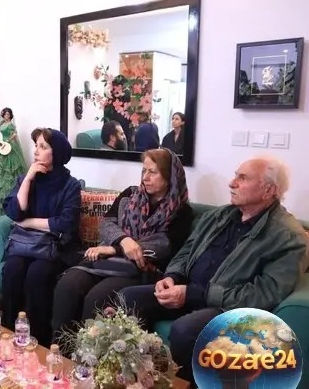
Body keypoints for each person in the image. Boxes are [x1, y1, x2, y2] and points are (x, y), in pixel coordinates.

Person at [120, 156, 309, 382]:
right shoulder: (220, 215)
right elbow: (187, 250)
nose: (231, 183)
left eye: (243, 178)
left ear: (268, 190)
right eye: (235, 176)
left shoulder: (287, 236)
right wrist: (173, 276)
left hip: (225, 308)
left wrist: (194, 294)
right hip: (188, 291)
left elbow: (264, 294)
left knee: (184, 331)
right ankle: (132, 378)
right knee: (128, 298)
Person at [51, 148, 192, 349]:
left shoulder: (181, 211)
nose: (145, 177)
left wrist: (115, 249)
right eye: (144, 170)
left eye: (153, 172)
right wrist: (124, 241)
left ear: (169, 177)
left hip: (142, 269)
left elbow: (164, 246)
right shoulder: (130, 194)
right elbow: (106, 223)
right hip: (107, 261)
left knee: (97, 297)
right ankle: (59, 353)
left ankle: (86, 357)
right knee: (68, 286)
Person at [0, 128, 82, 346]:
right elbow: (15, 212)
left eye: (43, 147)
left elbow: (66, 223)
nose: (36, 151)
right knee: (12, 269)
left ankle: (38, 340)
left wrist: (30, 223)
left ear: (57, 153)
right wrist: (28, 179)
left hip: (56, 247)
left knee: (37, 274)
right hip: (24, 244)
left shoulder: (70, 185)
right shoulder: (27, 178)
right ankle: (10, 331)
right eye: (36, 145)